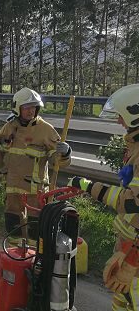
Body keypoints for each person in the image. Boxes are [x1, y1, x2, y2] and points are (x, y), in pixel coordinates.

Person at [67, 84, 139, 310]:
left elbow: (129, 202)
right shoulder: (135, 145)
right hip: (129, 246)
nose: (119, 121)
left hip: (135, 253)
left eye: (121, 116)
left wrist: (88, 186)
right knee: (121, 300)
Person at [0, 87, 72, 249]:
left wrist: (66, 152)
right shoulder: (9, 128)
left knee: (35, 228)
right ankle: (14, 255)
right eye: (27, 107)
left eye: (34, 107)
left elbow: (58, 162)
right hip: (12, 186)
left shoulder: (45, 130)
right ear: (17, 108)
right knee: (13, 223)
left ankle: (34, 260)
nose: (31, 111)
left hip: (36, 190)